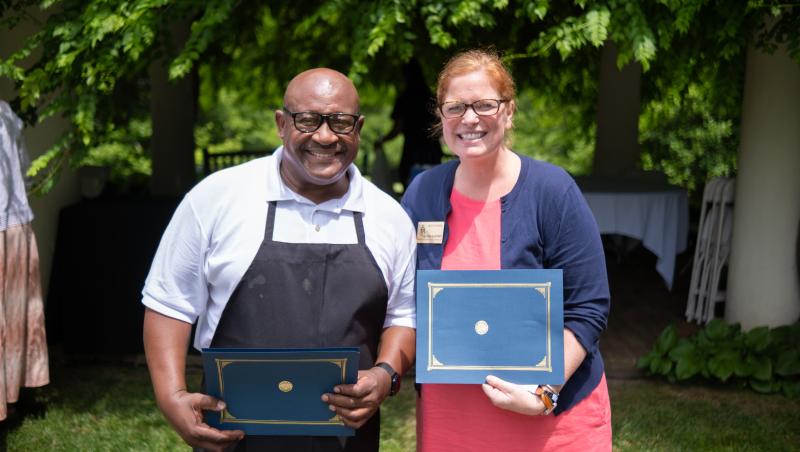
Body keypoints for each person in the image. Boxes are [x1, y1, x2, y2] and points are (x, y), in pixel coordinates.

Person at [142, 68, 417, 452]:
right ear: (280, 123)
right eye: (307, 120)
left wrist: (386, 374)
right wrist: (171, 395)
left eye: (340, 122)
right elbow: (169, 303)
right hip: (234, 435)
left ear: (359, 128)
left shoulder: (389, 217)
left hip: (348, 436)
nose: (325, 136)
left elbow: (403, 315)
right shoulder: (216, 198)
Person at [401, 49, 612, 451]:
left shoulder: (553, 191)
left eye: (484, 105)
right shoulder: (422, 194)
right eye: (456, 106)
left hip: (550, 420)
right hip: (452, 423)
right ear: (441, 116)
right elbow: (403, 300)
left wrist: (543, 393)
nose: (469, 118)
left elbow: (589, 307)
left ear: (509, 112)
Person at [376, 59, 442, 188]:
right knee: (433, 188)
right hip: (432, 152)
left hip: (412, 152)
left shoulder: (405, 98)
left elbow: (397, 129)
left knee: (412, 189)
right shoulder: (431, 97)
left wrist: (382, 140)